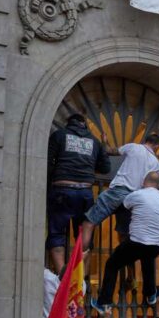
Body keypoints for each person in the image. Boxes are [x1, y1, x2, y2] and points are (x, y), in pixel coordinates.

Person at [91, 171, 159, 312]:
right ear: (158, 185)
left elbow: (122, 207)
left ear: (144, 182)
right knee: (148, 261)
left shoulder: (137, 194)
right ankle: (151, 295)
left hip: (137, 241)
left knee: (112, 264)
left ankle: (104, 302)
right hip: (156, 245)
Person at [79, 133, 159, 262]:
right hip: (135, 199)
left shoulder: (133, 147)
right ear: (157, 146)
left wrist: (104, 141)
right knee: (126, 236)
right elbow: (152, 187)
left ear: (146, 140)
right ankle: (130, 277)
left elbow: (109, 150)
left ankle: (79, 265)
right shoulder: (156, 164)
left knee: (88, 223)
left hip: (117, 192)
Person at [46, 113, 111, 273]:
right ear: (85, 124)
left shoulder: (59, 135)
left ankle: (61, 271)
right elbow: (106, 168)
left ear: (69, 123)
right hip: (85, 192)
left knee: (57, 233)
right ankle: (78, 274)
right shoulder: (95, 142)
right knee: (84, 233)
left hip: (62, 189)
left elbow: (47, 162)